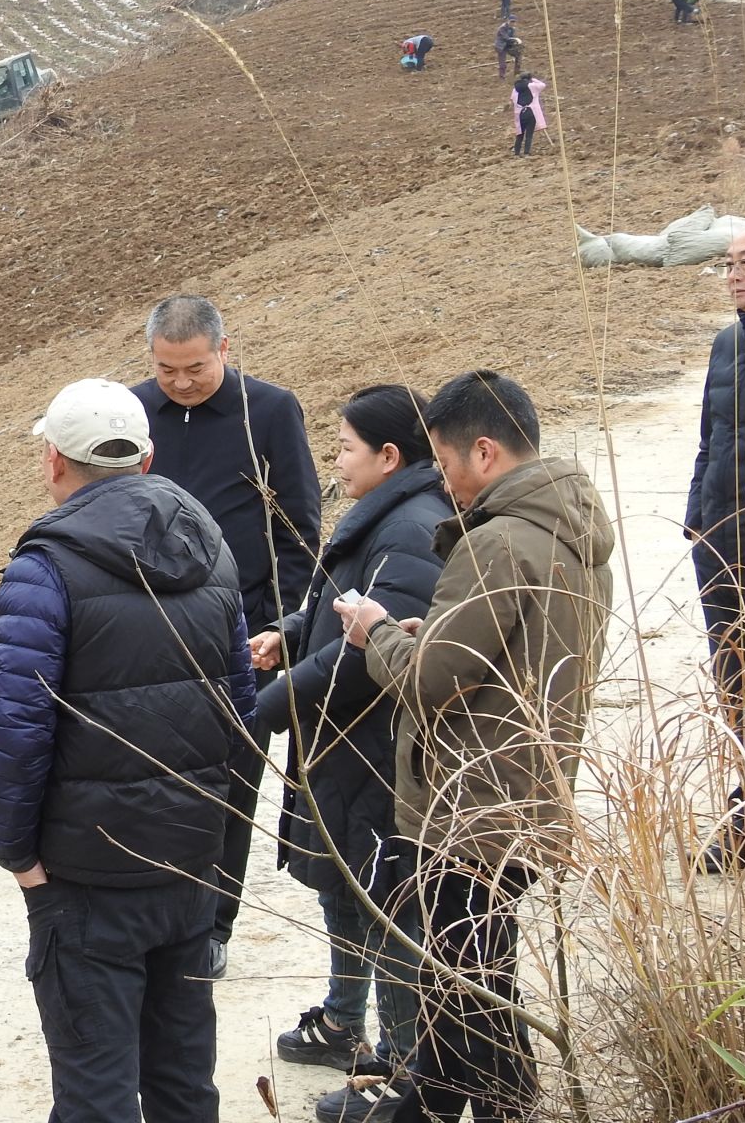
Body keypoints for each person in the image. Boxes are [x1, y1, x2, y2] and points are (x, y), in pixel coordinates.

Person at [0, 378, 256, 1123]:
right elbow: (241, 714)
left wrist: (15, 853)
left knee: (95, 1094)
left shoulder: (46, 568)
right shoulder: (212, 549)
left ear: (53, 461)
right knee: (184, 1082)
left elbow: (15, 728)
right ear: (146, 458)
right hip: (188, 864)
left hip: (86, 876)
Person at [338, 370, 612, 1123]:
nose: (442, 480)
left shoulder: (496, 543)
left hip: (468, 805)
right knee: (472, 984)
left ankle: (480, 1110)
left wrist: (376, 633)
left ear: (483, 451)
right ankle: (448, 1107)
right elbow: (511, 655)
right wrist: (429, 633)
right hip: (524, 793)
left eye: (443, 461)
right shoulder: (571, 529)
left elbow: (428, 681)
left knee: (465, 994)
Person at [250, 388, 450, 1122]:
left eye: (344, 447)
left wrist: (270, 704)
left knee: (383, 903)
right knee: (342, 886)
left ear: (389, 456)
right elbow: (340, 609)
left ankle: (398, 1067)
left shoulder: (411, 528)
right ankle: (342, 1020)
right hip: (343, 747)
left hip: (375, 750)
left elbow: (369, 657)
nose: (334, 460)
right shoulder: (385, 514)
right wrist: (288, 632)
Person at [130, 294, 321, 980]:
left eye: (195, 369)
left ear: (224, 350)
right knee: (147, 777)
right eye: (166, 370)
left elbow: (299, 526)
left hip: (240, 632)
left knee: (232, 782)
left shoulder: (267, 410)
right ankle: (152, 915)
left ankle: (213, 924)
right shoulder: (132, 410)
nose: (180, 383)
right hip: (145, 627)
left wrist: (280, 623)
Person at [686, 220, 745, 871]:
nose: (734, 274)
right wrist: (696, 522)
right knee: (741, 690)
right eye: (728, 263)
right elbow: (709, 440)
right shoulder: (726, 344)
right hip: (720, 548)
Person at [510, 73, 546, 155]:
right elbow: (542, 85)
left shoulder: (515, 89)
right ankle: (526, 152)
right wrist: (533, 79)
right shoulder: (532, 86)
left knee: (520, 134)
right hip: (531, 112)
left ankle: (517, 153)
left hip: (520, 114)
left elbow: (512, 100)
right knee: (529, 134)